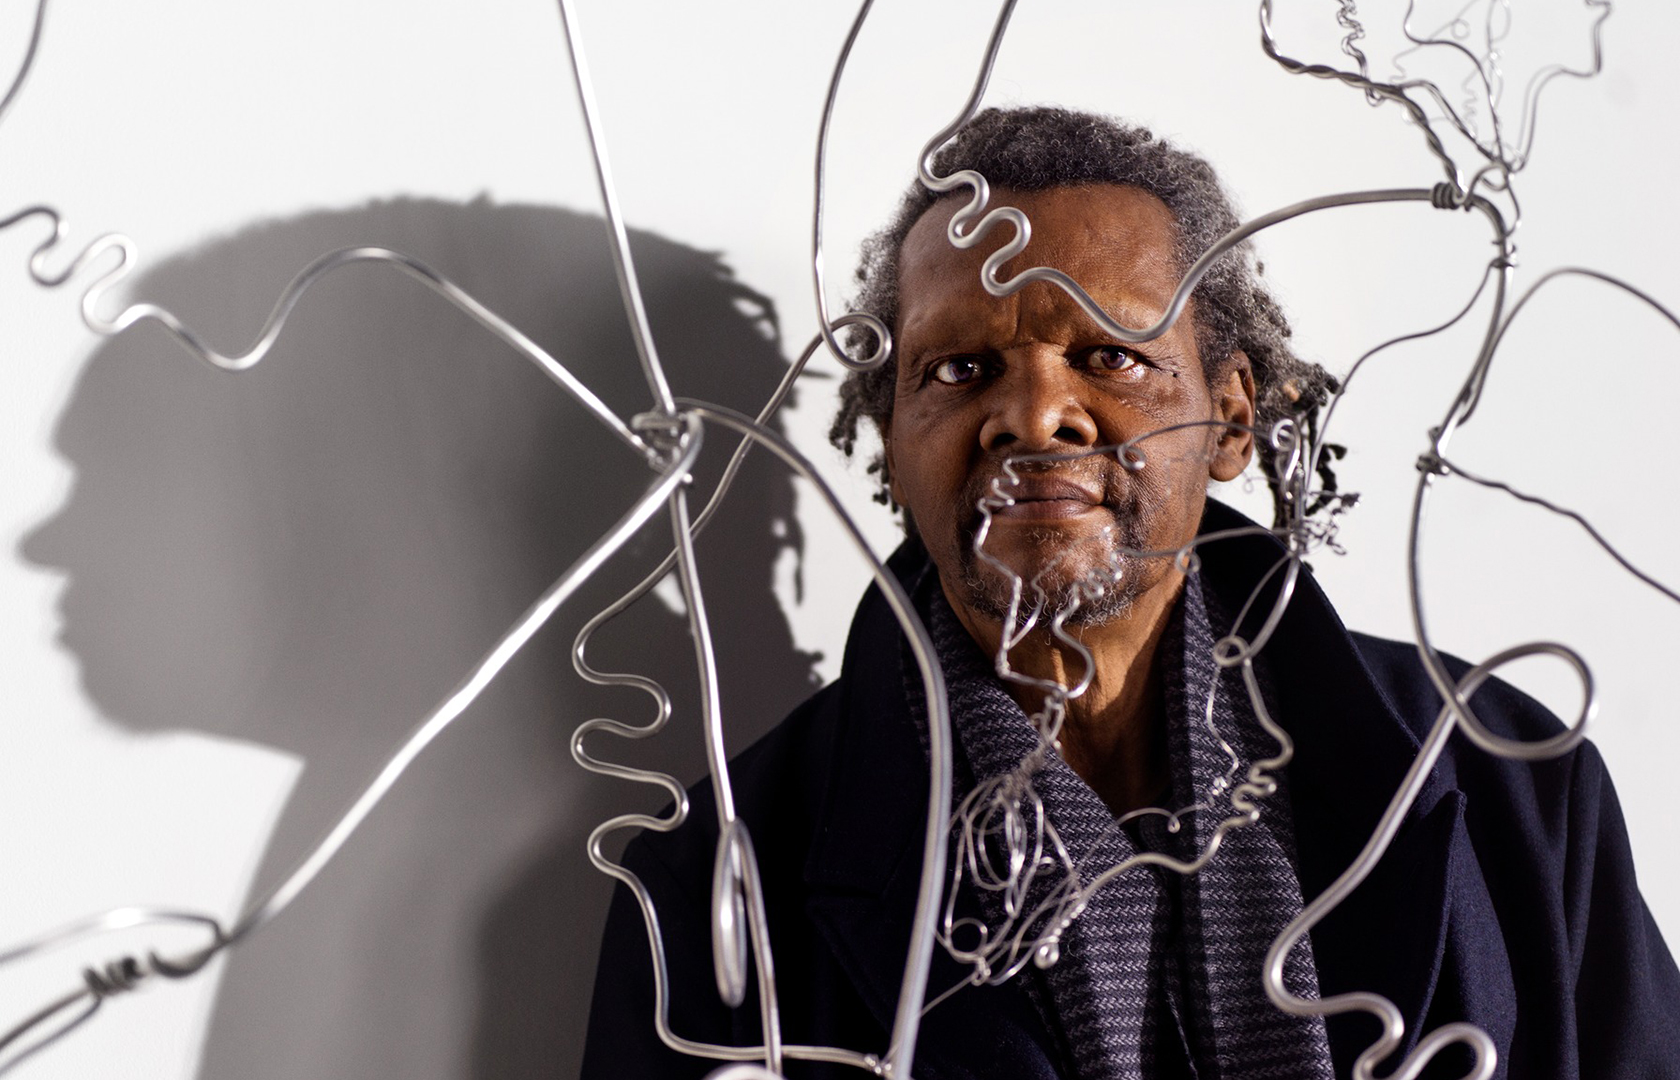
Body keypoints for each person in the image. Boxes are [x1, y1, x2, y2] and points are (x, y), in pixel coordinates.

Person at [580, 106, 1680, 1080]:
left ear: (1234, 421)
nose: (1034, 413)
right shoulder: (711, 888)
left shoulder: (1513, 785)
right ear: (889, 440)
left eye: (1109, 356)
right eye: (958, 370)